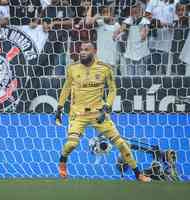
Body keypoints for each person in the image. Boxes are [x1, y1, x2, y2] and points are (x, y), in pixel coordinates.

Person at [55, 42, 151, 182]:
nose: (82, 52)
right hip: (78, 114)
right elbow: (66, 88)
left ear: (94, 51)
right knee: (72, 144)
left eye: (86, 50)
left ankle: (138, 174)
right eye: (81, 49)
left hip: (98, 113)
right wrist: (59, 108)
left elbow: (112, 90)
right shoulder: (72, 68)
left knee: (121, 144)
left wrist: (106, 108)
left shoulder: (105, 68)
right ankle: (62, 162)